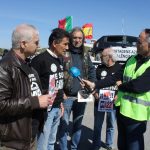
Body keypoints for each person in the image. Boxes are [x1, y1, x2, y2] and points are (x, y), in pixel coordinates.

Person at [82, 28, 150, 150]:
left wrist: (121, 86)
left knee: (134, 147)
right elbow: (114, 78)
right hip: (122, 111)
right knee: (122, 146)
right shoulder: (132, 59)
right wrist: (94, 85)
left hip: (137, 117)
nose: (136, 44)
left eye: (139, 42)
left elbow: (139, 86)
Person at [0, 24, 51, 150]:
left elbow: (27, 91)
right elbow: (1, 105)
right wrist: (36, 101)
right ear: (23, 44)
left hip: (30, 136)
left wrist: (47, 95)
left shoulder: (28, 65)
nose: (39, 45)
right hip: (13, 142)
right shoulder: (5, 66)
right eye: (36, 42)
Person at [31, 28, 70, 150]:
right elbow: (31, 87)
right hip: (45, 111)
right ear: (54, 43)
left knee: (51, 142)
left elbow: (57, 84)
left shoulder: (59, 60)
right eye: (65, 44)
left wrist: (60, 103)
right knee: (43, 144)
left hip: (57, 108)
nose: (67, 47)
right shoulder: (39, 60)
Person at [59, 27, 96, 150]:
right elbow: (58, 73)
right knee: (63, 126)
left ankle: (74, 148)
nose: (77, 40)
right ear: (70, 38)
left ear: (83, 39)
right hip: (67, 95)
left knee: (78, 125)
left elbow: (91, 70)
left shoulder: (85, 54)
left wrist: (92, 84)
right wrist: (60, 92)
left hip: (83, 95)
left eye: (80, 38)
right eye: (75, 37)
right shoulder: (64, 52)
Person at [92, 48, 121, 150]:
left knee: (111, 124)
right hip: (99, 101)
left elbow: (123, 85)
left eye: (102, 56)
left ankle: (108, 144)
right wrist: (95, 94)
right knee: (97, 125)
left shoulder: (119, 68)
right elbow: (93, 83)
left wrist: (118, 95)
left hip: (112, 102)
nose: (100, 58)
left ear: (109, 57)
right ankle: (95, 145)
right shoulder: (99, 68)